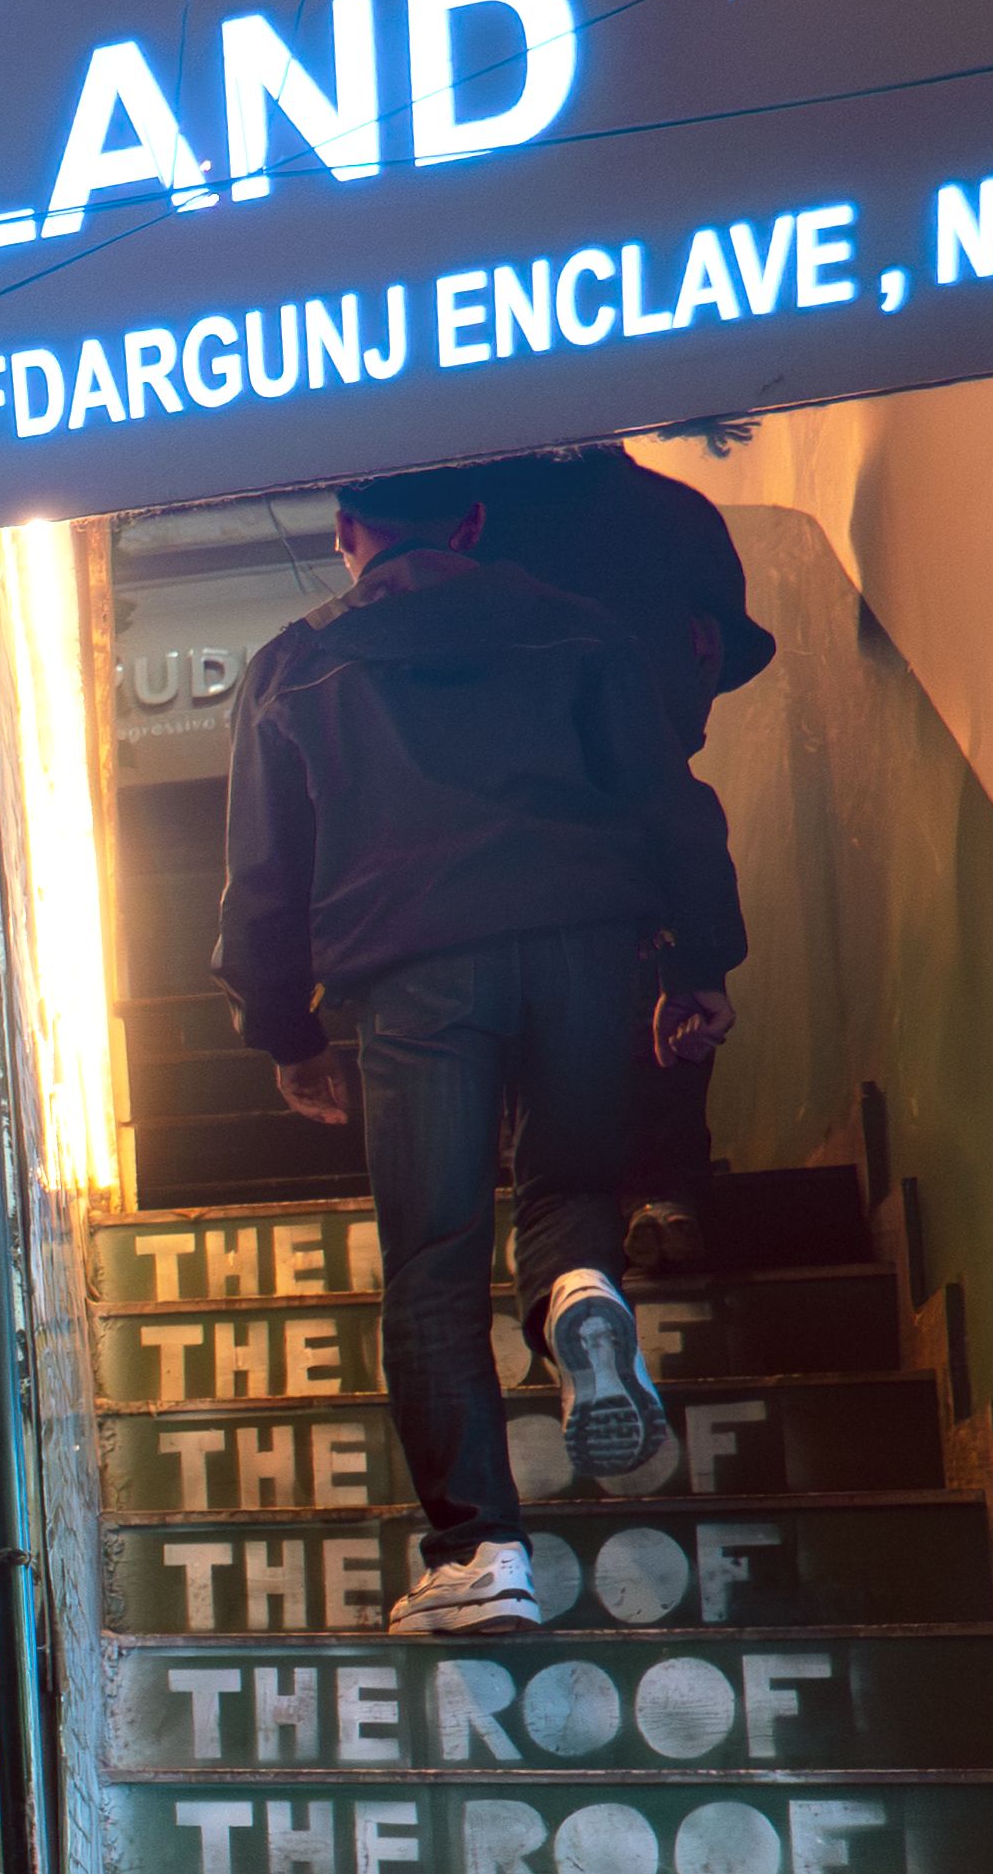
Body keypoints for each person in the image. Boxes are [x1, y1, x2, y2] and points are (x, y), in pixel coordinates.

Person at [220, 469, 748, 1637]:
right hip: (584, 950)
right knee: (565, 1186)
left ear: (344, 532)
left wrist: (287, 1033)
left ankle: (478, 1554)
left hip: (415, 979)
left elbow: (261, 882)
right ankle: (578, 1295)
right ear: (471, 524)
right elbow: (669, 801)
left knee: (435, 1256)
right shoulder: (577, 623)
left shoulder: (292, 667)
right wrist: (694, 963)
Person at [477, 443, 781, 1272]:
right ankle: (663, 1193)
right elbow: (712, 639)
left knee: (535, 1026)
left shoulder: (482, 520)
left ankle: (563, 1241)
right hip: (642, 797)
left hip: (519, 814)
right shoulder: (678, 513)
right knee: (672, 989)